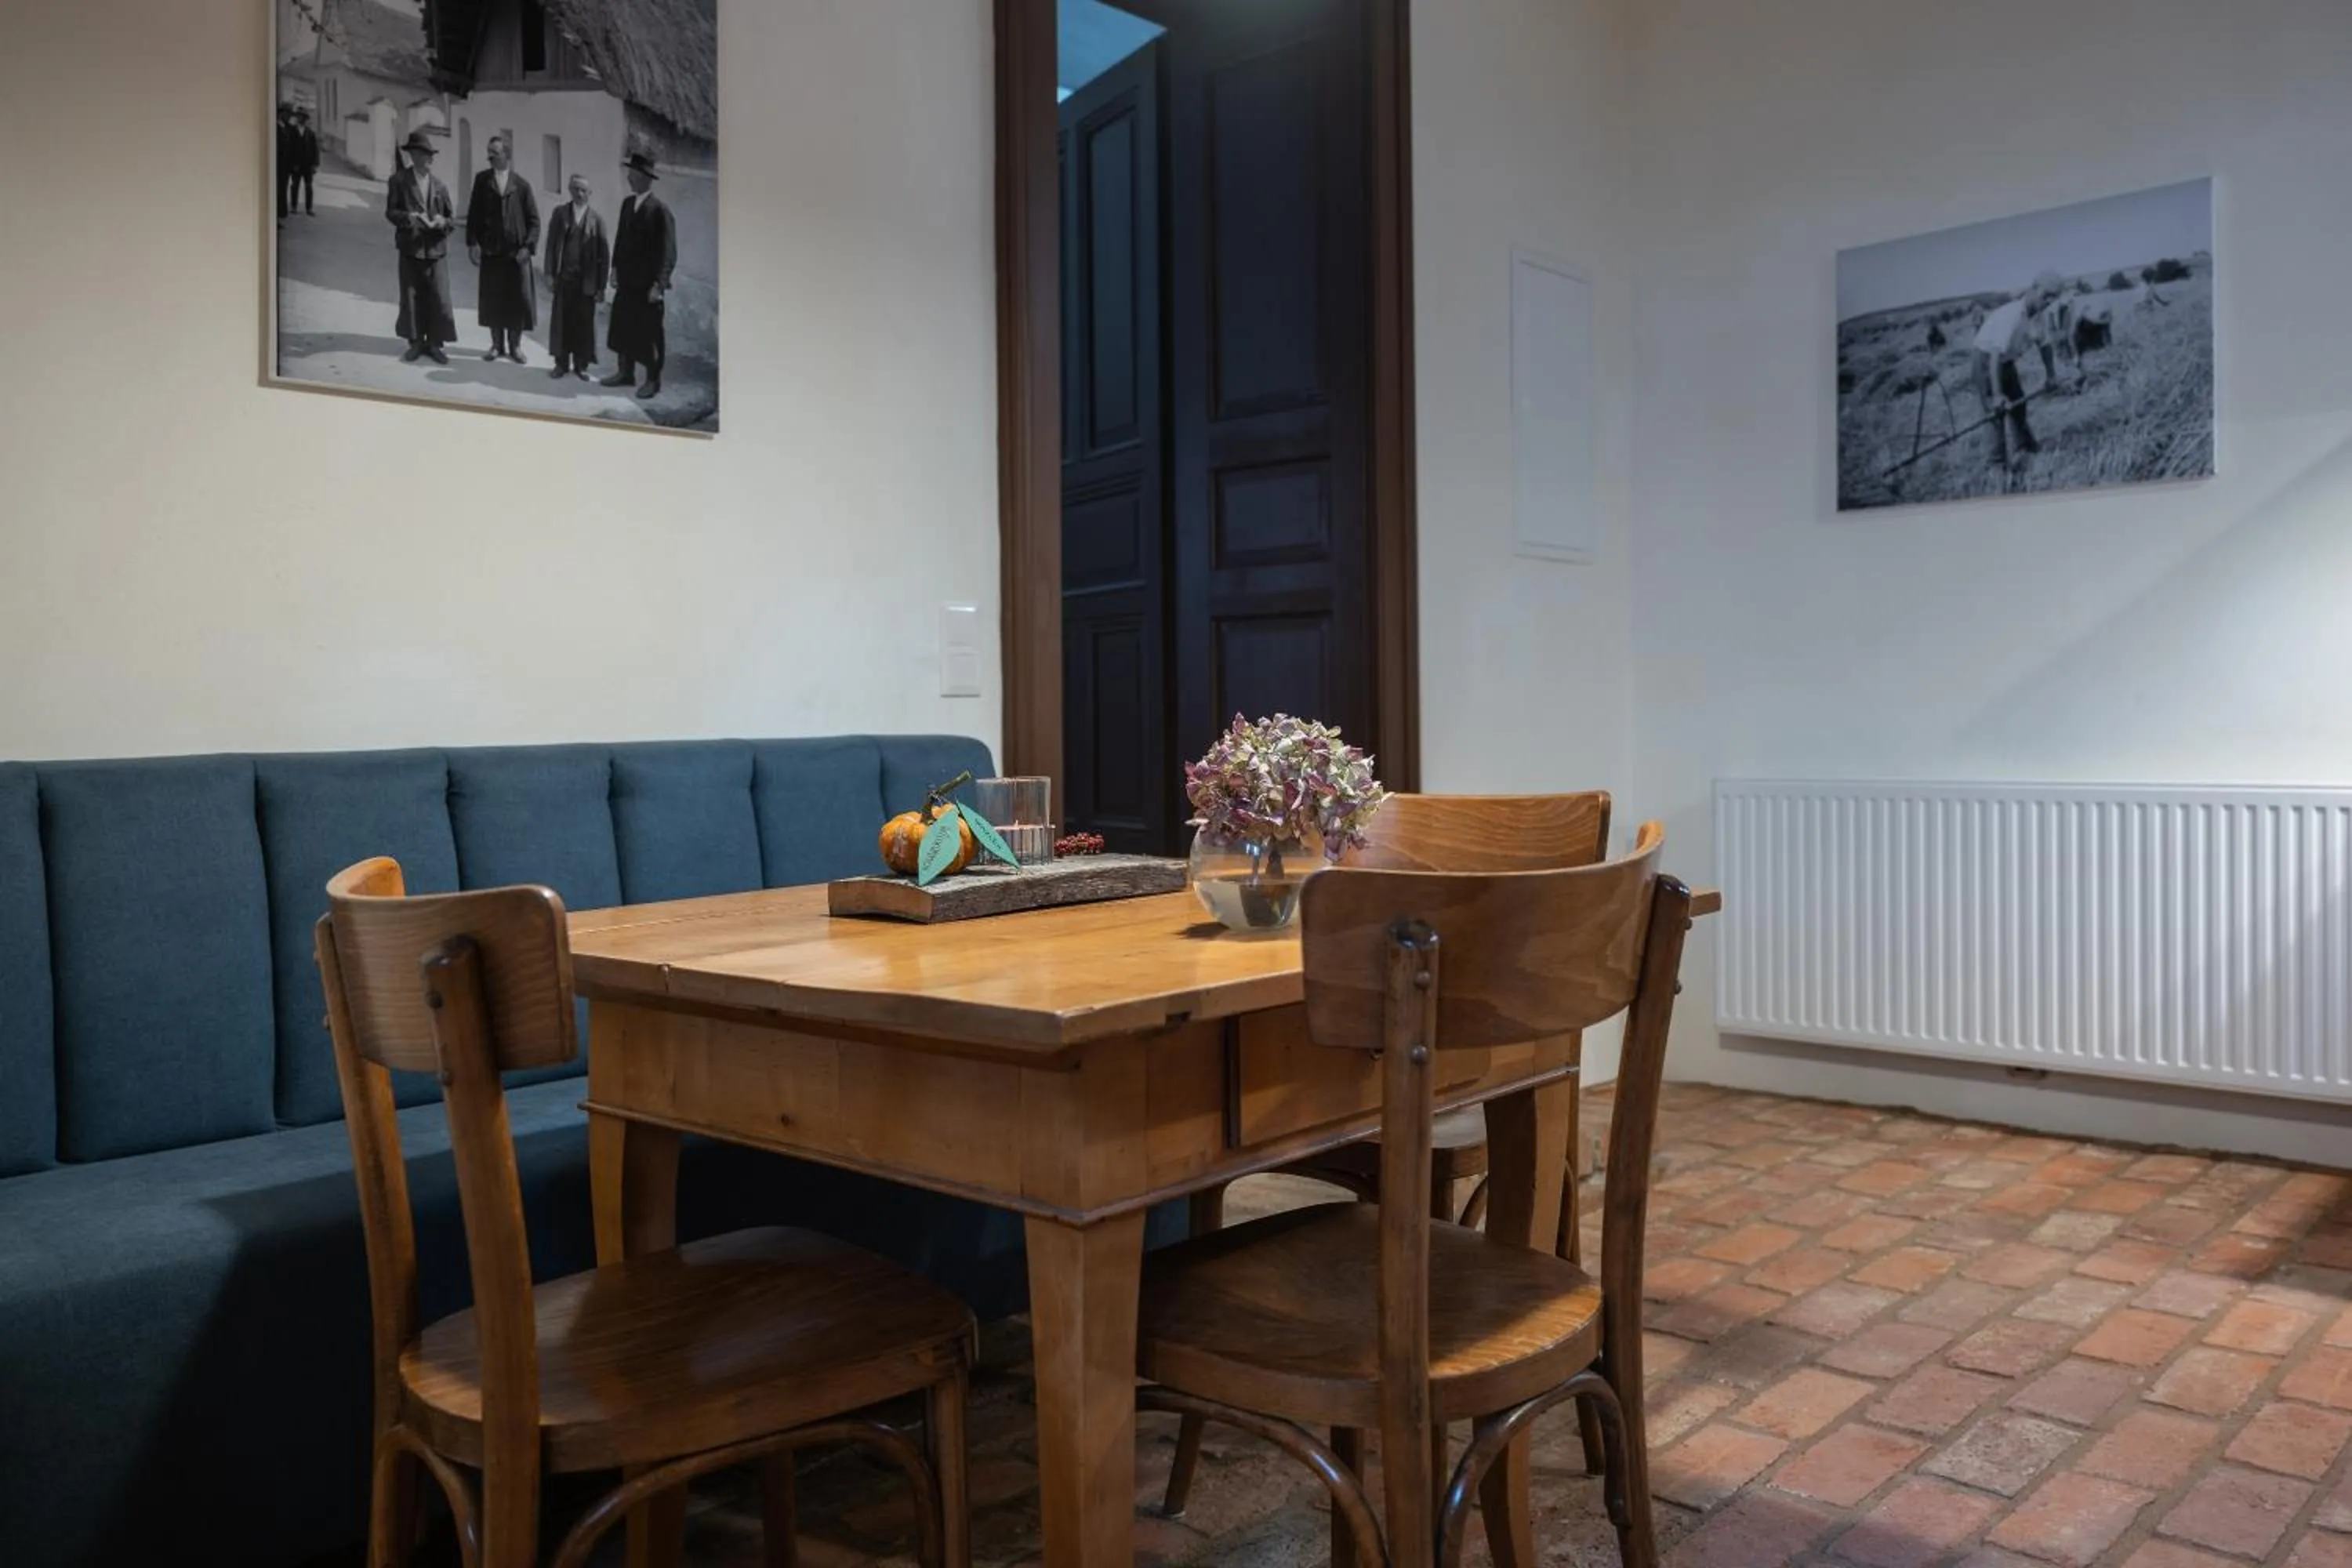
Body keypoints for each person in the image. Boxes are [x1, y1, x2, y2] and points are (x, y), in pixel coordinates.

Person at [603, 151, 676, 401]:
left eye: (633, 173)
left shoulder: (660, 211)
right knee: (623, 327)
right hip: (627, 282)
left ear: (646, 178)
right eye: (629, 172)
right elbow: (620, 240)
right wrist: (614, 269)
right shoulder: (627, 205)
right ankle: (625, 373)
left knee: (650, 333)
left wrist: (659, 284)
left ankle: (652, 381)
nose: (629, 177)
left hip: (647, 287)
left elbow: (668, 252)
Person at [1972, 271, 2061, 466]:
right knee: (1996, 412)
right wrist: (1996, 394)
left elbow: (2045, 346)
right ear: (2033, 290)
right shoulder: (2011, 316)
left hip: (2006, 361)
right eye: (2046, 295)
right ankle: (1997, 464)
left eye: (2054, 297)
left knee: (2018, 403)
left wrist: (2051, 375)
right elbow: (1995, 356)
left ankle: (2026, 447)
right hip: (1986, 361)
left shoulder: (2038, 318)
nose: (2049, 301)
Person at [466, 135, 541, 365]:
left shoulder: (521, 186)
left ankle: (515, 346)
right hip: (492, 252)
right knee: (493, 299)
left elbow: (534, 221)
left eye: (495, 153)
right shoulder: (482, 181)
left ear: (507, 155)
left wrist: (528, 248)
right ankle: (497, 345)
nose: (489, 157)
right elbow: (473, 216)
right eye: (489, 152)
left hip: (515, 256)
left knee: (516, 301)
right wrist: (473, 243)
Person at [386, 131, 458, 365]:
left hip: (436, 249)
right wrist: (409, 218)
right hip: (411, 248)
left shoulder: (440, 185)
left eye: (429, 156)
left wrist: (442, 222)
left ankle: (435, 344)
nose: (428, 160)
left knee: (438, 297)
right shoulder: (399, 181)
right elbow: (391, 212)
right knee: (412, 295)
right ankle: (415, 342)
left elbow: (451, 218)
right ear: (413, 156)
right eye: (422, 155)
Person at [543, 174, 610, 380]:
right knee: (562, 322)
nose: (580, 194)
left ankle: (581, 366)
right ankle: (561, 364)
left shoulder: (597, 220)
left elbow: (604, 256)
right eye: (576, 189)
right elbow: (551, 246)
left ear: (590, 194)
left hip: (586, 283)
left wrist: (601, 287)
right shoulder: (560, 214)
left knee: (583, 324)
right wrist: (549, 273)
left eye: (584, 190)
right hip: (565, 278)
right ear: (570, 190)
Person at [290, 108, 320, 217]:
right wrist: (292, 164)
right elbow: (290, 149)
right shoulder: (292, 131)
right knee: (295, 186)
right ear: (297, 118)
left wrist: (315, 164)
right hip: (296, 164)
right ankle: (293, 207)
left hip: (308, 165)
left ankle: (309, 208)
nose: (301, 119)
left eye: (303, 117)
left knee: (309, 187)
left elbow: (315, 149)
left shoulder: (310, 133)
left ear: (306, 119)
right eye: (299, 116)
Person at [275, 103, 296, 226]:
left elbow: (294, 148)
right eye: (286, 114)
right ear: (281, 114)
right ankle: (275, 217)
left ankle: (279, 215)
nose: (288, 117)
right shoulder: (274, 127)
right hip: (276, 164)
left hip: (286, 166)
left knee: (283, 190)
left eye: (289, 115)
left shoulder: (291, 129)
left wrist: (294, 164)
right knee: (276, 190)